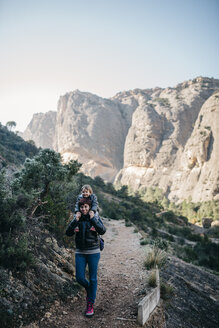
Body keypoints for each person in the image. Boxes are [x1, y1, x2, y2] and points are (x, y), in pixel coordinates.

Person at [66, 197, 106, 317]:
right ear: (80, 207)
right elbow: (68, 233)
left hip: (93, 252)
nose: (84, 209)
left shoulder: (94, 216)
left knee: (93, 278)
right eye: (82, 207)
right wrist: (75, 221)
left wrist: (93, 219)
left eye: (86, 207)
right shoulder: (76, 218)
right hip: (80, 252)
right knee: (79, 278)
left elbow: (103, 230)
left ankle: (90, 304)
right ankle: (90, 290)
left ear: (89, 208)